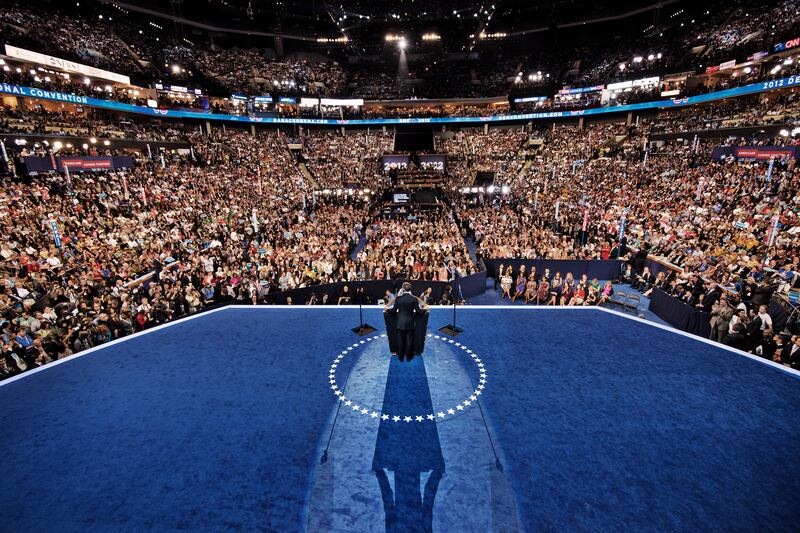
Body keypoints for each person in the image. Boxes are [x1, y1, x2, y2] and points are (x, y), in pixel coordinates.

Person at [391, 282, 422, 362]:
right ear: (410, 289)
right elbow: (419, 311)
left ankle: (400, 357)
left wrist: (387, 310)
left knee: (400, 341)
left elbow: (393, 311)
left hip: (400, 323)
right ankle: (409, 357)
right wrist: (425, 310)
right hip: (410, 323)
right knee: (409, 341)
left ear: (403, 289)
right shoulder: (414, 299)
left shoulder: (398, 299)